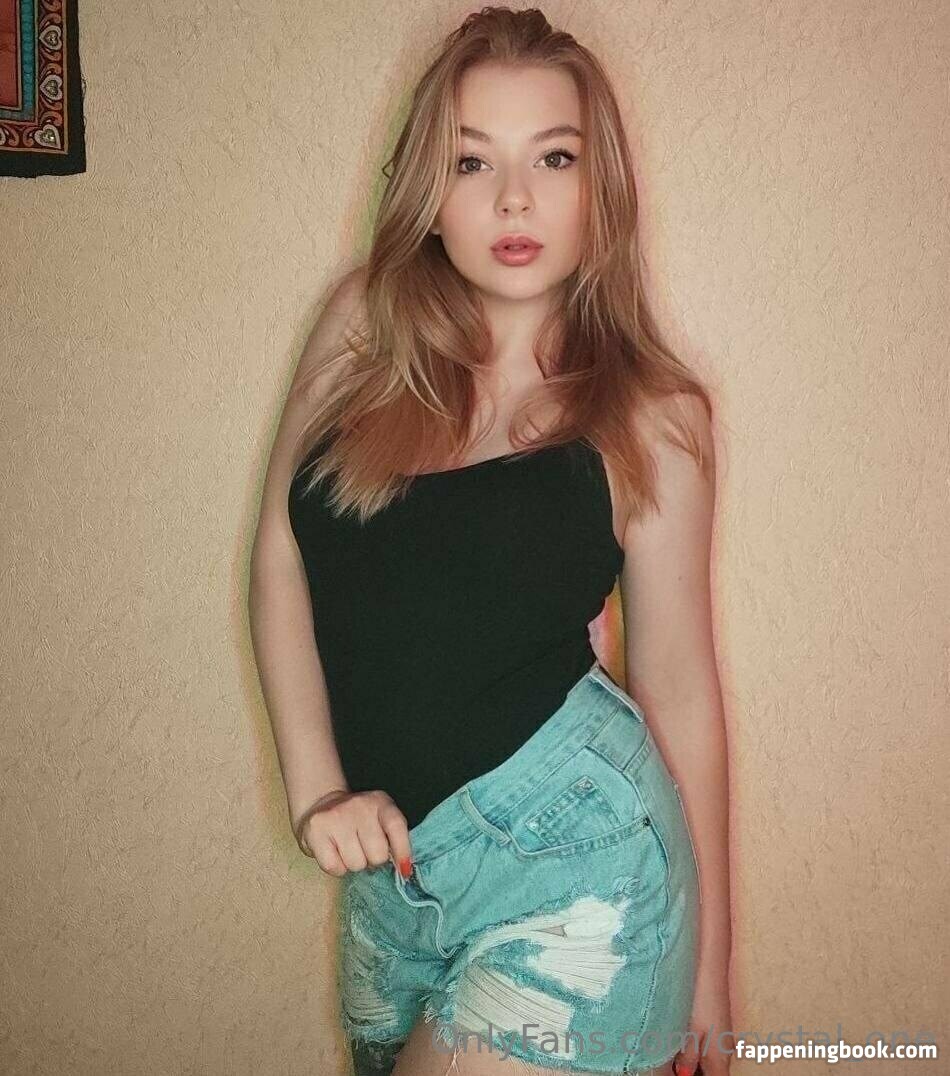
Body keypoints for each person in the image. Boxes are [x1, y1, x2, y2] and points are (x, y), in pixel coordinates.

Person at [248, 7, 732, 1076]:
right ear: (430, 187)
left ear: (600, 187)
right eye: (473, 161)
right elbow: (282, 552)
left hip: (581, 872)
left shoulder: (654, 416)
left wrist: (707, 975)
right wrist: (315, 788)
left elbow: (679, 689)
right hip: (390, 888)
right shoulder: (363, 330)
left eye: (553, 157)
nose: (514, 198)